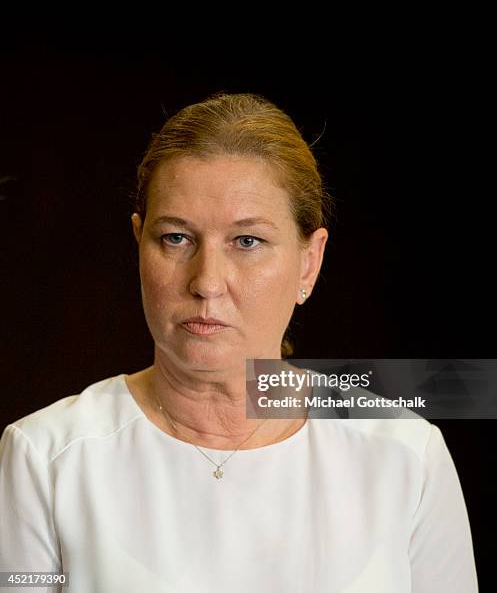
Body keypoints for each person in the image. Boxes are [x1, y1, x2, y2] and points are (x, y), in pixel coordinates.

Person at [0, 92, 478, 592]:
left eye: (247, 242)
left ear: (308, 263)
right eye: (176, 238)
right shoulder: (46, 458)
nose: (207, 281)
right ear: (138, 243)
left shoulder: (405, 456)